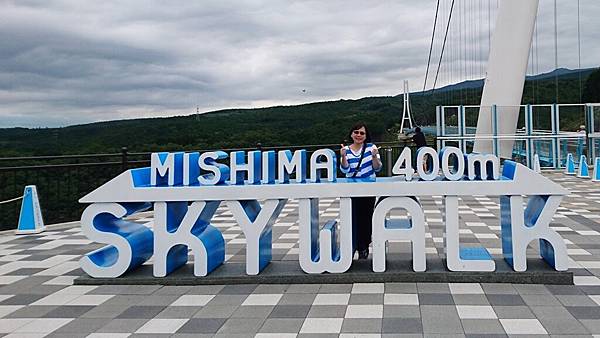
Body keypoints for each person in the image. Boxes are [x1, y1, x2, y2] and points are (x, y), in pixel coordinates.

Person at [339, 122, 382, 259]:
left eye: (362, 133)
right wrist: (343, 157)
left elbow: (377, 168)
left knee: (367, 217)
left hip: (368, 189)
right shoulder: (345, 149)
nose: (358, 135)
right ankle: (354, 245)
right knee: (353, 217)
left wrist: (375, 156)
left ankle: (363, 246)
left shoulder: (371, 148)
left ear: (366, 135)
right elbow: (345, 170)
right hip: (352, 189)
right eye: (356, 132)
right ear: (351, 134)